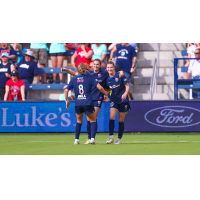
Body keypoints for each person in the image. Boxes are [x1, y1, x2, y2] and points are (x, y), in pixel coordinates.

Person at [62, 59, 124, 144]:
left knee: (90, 118)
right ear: (92, 65)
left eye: (98, 64)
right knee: (90, 119)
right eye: (94, 64)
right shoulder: (88, 74)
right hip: (89, 99)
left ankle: (88, 138)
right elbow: (75, 73)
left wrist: (120, 72)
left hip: (96, 98)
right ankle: (90, 138)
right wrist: (66, 70)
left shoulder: (103, 73)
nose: (96, 66)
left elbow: (112, 72)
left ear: (100, 65)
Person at [64, 63, 108, 145]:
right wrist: (105, 94)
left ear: (78, 70)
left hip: (78, 103)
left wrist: (67, 101)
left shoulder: (74, 79)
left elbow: (66, 90)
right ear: (85, 70)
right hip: (88, 102)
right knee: (93, 120)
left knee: (79, 121)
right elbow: (100, 87)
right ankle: (92, 139)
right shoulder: (89, 78)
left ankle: (76, 140)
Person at [105, 61, 131, 144]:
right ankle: (111, 137)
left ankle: (119, 138)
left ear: (113, 68)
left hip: (123, 100)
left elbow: (127, 86)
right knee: (112, 117)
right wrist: (106, 94)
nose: (109, 69)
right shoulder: (107, 79)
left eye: (111, 67)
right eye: (108, 67)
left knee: (120, 119)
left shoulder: (120, 75)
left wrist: (125, 93)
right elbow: (108, 88)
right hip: (114, 100)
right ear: (106, 68)